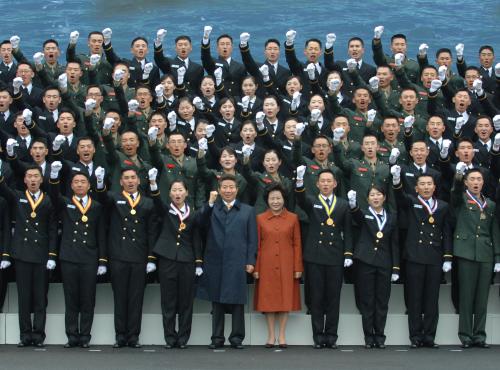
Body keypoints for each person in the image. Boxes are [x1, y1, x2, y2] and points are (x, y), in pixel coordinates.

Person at [95, 167, 156, 348]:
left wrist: (151, 258)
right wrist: (100, 182)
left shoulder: (147, 203)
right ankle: (120, 335)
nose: (130, 181)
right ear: (121, 182)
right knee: (120, 297)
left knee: (136, 298)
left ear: (138, 181)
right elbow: (102, 198)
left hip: (139, 257)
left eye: (133, 178)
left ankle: (133, 336)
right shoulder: (114, 198)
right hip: (118, 256)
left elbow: (151, 232)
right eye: (126, 178)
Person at [48, 163, 106, 348]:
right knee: (71, 298)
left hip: (89, 257)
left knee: (88, 299)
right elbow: (54, 195)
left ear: (89, 186)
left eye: (83, 182)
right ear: (71, 186)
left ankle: (85, 336)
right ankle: (72, 335)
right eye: (76, 182)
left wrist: (102, 260)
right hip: (69, 256)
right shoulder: (65, 203)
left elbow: (100, 234)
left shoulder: (96, 206)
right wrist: (55, 177)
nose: (80, 185)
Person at [392, 169, 452, 348]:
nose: (426, 187)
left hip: (434, 257)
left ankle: (430, 336)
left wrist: (447, 256)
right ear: (416, 188)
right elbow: (399, 197)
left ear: (434, 187)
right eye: (422, 184)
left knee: (432, 300)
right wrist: (396, 181)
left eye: (429, 184)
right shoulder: (411, 201)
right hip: (414, 256)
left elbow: (446, 233)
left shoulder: (442, 206)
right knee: (415, 299)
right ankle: (415, 336)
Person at [0, 163, 57, 347]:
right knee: (24, 298)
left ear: (41, 179)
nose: (33, 179)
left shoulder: (48, 200)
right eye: (29, 176)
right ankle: (25, 335)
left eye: (36, 176)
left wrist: (51, 255)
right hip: (22, 254)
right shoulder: (17, 196)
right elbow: (4, 189)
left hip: (41, 256)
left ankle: (39, 334)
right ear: (24, 180)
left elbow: (52, 229)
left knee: (40, 298)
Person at [197, 174, 257, 349]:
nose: (228, 190)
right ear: (219, 189)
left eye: (231, 187)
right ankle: (217, 338)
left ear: (237, 190)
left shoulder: (247, 210)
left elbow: (252, 239)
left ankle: (237, 338)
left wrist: (250, 260)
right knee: (217, 301)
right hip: (215, 261)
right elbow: (199, 224)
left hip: (237, 261)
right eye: (225, 187)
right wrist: (209, 203)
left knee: (238, 301)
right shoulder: (212, 208)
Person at [295, 167, 352, 349]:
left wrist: (348, 253)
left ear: (335, 184)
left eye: (329, 181)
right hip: (315, 256)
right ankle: (318, 337)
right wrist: (299, 181)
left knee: (333, 299)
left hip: (335, 256)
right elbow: (300, 199)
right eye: (323, 181)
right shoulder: (312, 201)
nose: (326, 184)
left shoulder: (343, 204)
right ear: (317, 184)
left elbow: (349, 232)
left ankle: (331, 336)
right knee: (317, 298)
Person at [149, 171, 203, 349]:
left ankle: (183, 338)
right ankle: (170, 338)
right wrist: (153, 185)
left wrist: (198, 262)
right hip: (168, 260)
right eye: (174, 190)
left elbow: (196, 238)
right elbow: (157, 201)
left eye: (181, 190)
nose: (178, 193)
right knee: (168, 301)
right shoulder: (166, 210)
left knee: (186, 302)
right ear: (170, 193)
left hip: (187, 261)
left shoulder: (192, 214)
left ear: (186, 193)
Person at [451, 166, 500, 348]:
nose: (476, 182)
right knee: (466, 296)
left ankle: (480, 335)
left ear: (483, 182)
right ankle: (465, 335)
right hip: (466, 252)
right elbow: (454, 194)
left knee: (482, 297)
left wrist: (497, 256)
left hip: (485, 254)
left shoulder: (490, 204)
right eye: (472, 179)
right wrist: (457, 177)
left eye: (479, 179)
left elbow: (493, 231)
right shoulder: (462, 199)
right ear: (466, 182)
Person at [347, 186, 399, 349]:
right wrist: (353, 205)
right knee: (367, 301)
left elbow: (395, 243)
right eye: (372, 195)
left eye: (378, 195)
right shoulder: (364, 213)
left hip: (384, 262)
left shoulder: (391, 217)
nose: (375, 198)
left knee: (382, 301)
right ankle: (369, 337)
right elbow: (357, 216)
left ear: (384, 198)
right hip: (365, 261)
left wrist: (396, 267)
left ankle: (380, 336)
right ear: (368, 198)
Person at [253, 183, 303, 348]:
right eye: (272, 198)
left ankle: (282, 335)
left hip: (287, 264)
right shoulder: (260, 218)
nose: (275, 201)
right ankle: (271, 336)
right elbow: (257, 245)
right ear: (267, 200)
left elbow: (297, 244)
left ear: (284, 199)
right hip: (266, 265)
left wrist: (297, 268)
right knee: (269, 301)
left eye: (278, 198)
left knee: (285, 300)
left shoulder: (293, 218)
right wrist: (257, 268)